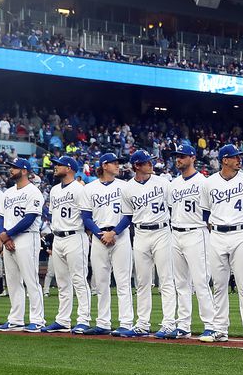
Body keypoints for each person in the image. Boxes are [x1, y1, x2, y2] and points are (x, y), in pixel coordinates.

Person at [201, 143, 243, 343]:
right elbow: (205, 214)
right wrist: (215, 230)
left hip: (241, 233)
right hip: (216, 235)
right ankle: (220, 328)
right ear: (224, 160)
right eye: (235, 157)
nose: (239, 159)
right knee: (219, 284)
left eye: (239, 156)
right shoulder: (209, 183)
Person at [121, 149, 176, 337]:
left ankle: (169, 323)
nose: (151, 164)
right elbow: (127, 215)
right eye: (147, 162)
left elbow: (173, 207)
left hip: (162, 231)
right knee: (143, 281)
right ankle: (142, 323)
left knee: (166, 279)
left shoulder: (162, 182)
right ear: (137, 166)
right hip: (140, 233)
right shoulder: (127, 188)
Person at [81, 152, 135, 336]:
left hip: (120, 235)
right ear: (104, 165)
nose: (117, 166)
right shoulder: (89, 188)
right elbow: (86, 217)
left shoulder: (125, 186)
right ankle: (103, 322)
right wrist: (100, 234)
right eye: (114, 163)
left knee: (123, 281)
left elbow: (129, 215)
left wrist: (114, 233)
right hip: (99, 237)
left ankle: (126, 323)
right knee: (101, 283)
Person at [0, 158, 46, 332]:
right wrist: (4, 237)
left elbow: (29, 218)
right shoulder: (7, 193)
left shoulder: (33, 192)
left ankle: (37, 320)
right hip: (9, 239)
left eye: (14, 168)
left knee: (31, 280)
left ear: (24, 171)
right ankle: (15, 319)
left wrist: (7, 235)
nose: (10, 170)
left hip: (28, 238)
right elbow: (1, 217)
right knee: (13, 281)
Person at [168, 142, 216, 339]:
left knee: (201, 281)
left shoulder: (204, 182)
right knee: (181, 282)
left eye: (182, 156)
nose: (178, 159)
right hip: (176, 232)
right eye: (177, 156)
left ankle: (210, 324)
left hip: (196, 232)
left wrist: (204, 227)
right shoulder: (173, 184)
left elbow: (210, 211)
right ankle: (183, 325)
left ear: (193, 158)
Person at [41, 155, 91, 333]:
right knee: (62, 281)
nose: (55, 167)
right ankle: (63, 320)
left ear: (69, 168)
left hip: (75, 236)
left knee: (79, 279)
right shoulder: (54, 190)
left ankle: (84, 319)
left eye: (59, 165)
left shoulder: (80, 189)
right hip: (58, 237)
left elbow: (87, 215)